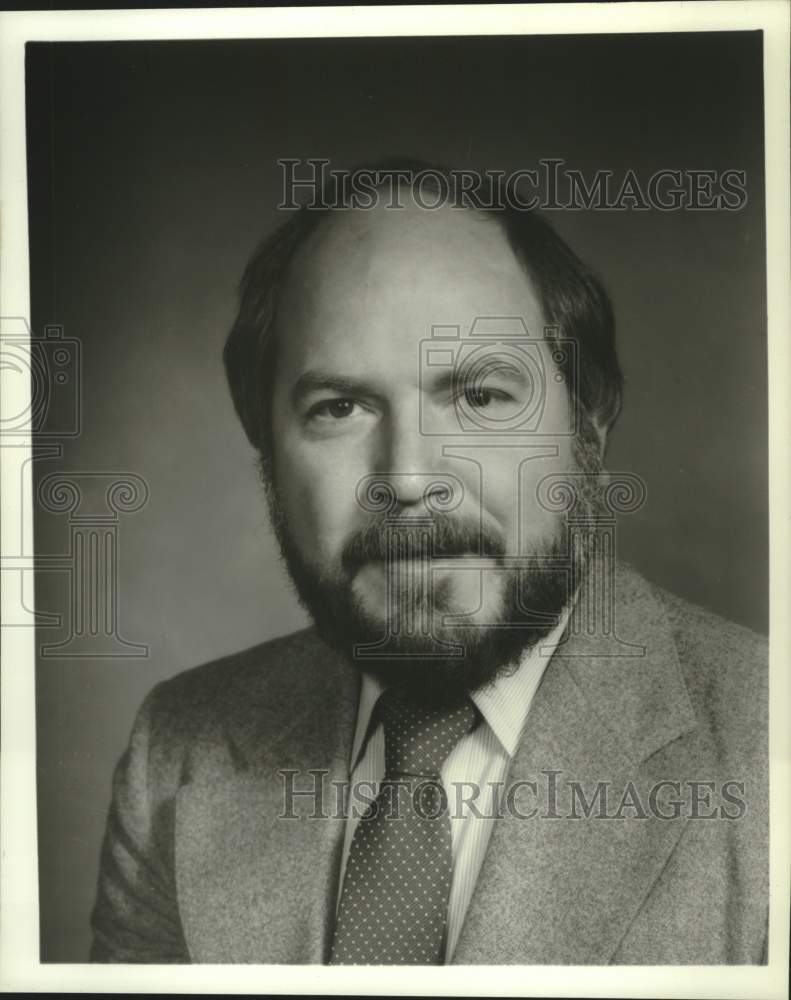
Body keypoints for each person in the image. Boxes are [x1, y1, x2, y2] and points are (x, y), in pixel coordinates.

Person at [90, 162, 768, 965]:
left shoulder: (766, 750)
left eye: (480, 397)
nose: (410, 480)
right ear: (265, 450)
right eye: (338, 408)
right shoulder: (178, 750)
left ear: (588, 425)